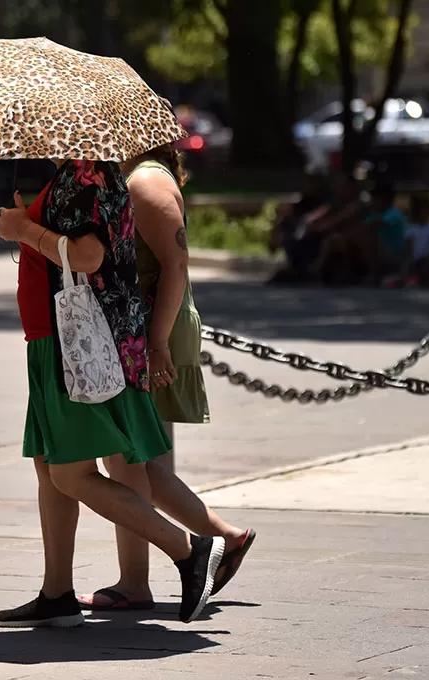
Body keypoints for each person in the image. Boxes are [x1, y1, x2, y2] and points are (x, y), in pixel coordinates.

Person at [0, 159, 228, 628]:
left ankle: (191, 550)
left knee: (70, 475)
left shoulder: (88, 174)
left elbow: (86, 257)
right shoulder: (72, 175)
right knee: (49, 466)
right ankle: (56, 592)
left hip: (76, 344)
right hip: (52, 338)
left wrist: (24, 231)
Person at [75, 144, 255, 612]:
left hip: (154, 335)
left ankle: (146, 577)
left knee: (128, 460)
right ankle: (221, 539)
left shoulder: (145, 182)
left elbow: (175, 267)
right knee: (133, 461)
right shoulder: (140, 178)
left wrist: (155, 345)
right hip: (148, 333)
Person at [400, 194, 429, 288]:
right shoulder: (411, 229)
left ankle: (426, 279)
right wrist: (410, 257)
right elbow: (408, 244)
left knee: (427, 264)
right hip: (415, 257)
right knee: (409, 266)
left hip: (428, 257)